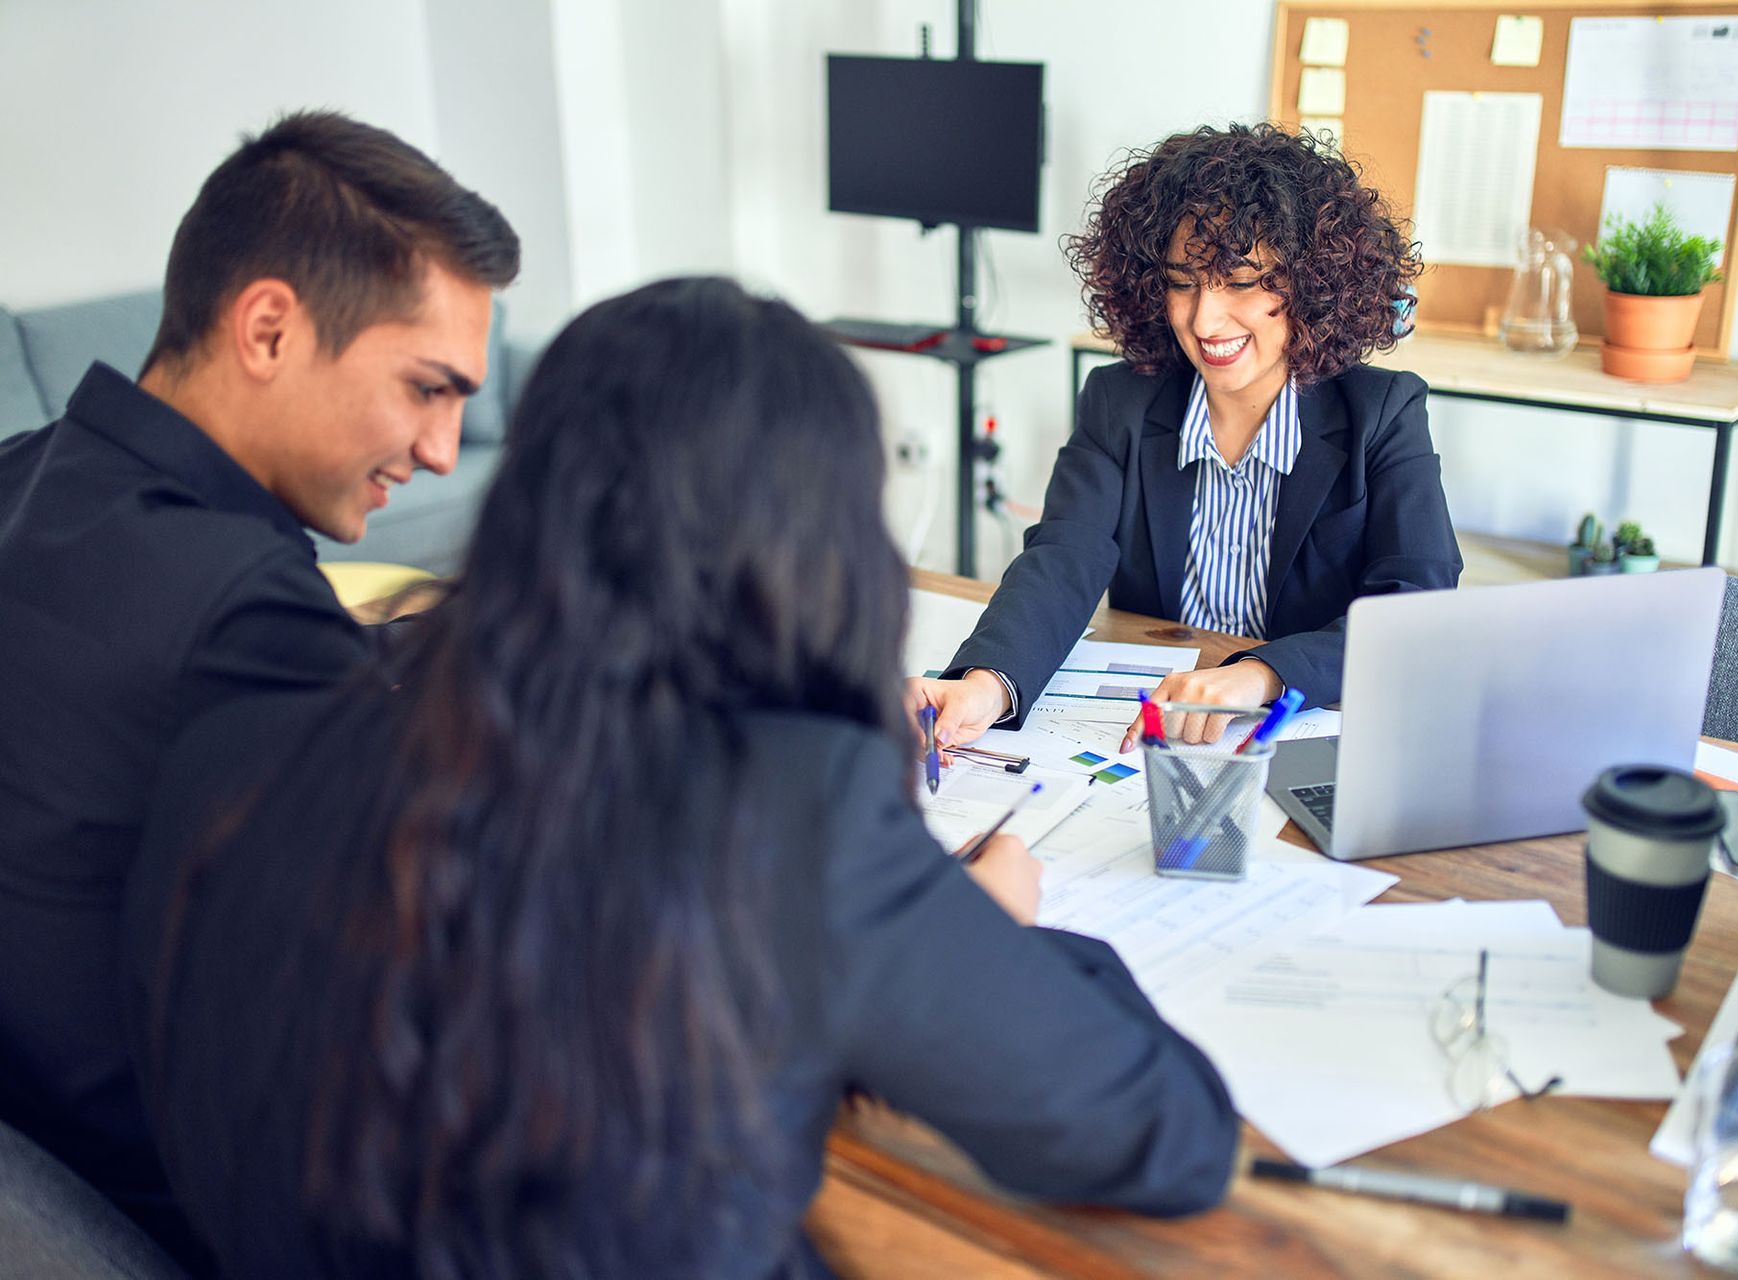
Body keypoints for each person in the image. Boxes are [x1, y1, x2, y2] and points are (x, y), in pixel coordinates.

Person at [122, 277, 1239, 1278]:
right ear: (824, 545)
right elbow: (1166, 1136)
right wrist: (985, 933)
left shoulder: (260, 732)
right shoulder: (801, 820)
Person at [0, 110, 518, 1263]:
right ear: (270, 328)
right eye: (427, 387)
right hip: (223, 1204)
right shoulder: (241, 604)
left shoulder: (30, 477)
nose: (444, 447)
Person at [910, 122, 1461, 754]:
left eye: (1242, 281)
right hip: (1157, 735)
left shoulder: (1384, 412)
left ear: (1309, 284)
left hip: (1295, 733)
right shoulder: (1121, 401)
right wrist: (985, 684)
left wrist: (1260, 675)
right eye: (1183, 281)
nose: (1204, 318)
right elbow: (1062, 557)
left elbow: (1419, 607)